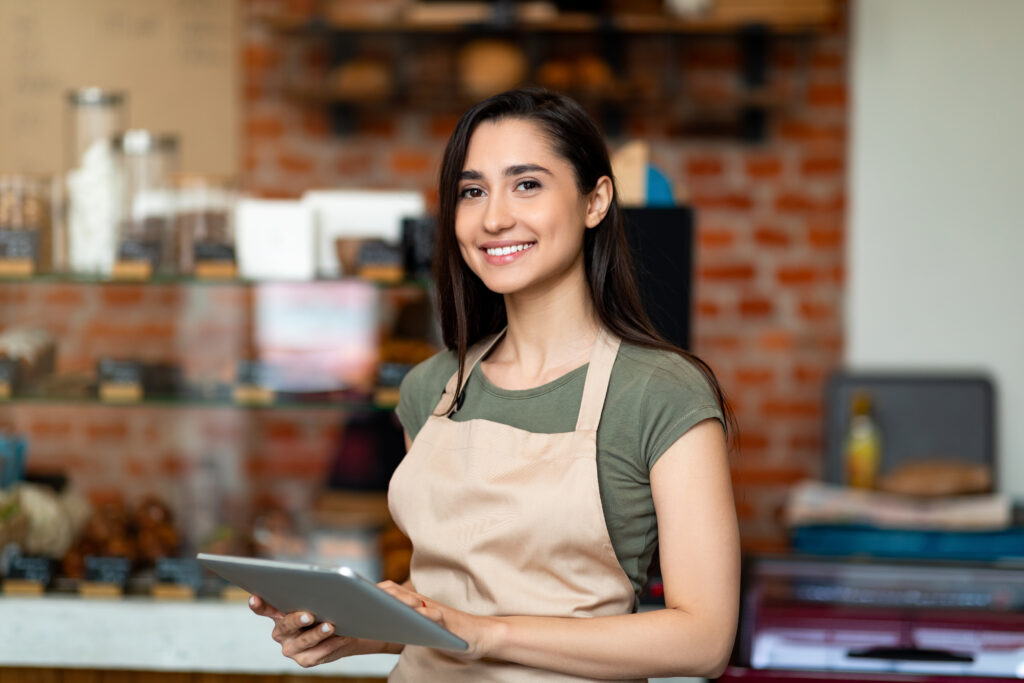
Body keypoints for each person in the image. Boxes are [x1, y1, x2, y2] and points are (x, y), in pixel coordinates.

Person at [250, 87, 740, 681]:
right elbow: (456, 596)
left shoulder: (661, 392)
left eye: (527, 184)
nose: (494, 217)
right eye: (472, 191)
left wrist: (485, 635)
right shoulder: (431, 387)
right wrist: (363, 624)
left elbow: (704, 639)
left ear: (596, 200)